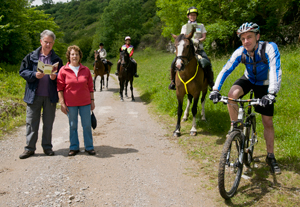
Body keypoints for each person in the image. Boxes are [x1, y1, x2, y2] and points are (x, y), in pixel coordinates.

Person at [209, 22, 282, 174]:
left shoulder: (269, 48)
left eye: (249, 37)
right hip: (249, 79)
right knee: (232, 95)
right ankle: (235, 129)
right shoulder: (240, 52)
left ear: (258, 37)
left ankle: (270, 156)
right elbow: (226, 69)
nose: (246, 41)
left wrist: (271, 94)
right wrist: (215, 89)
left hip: (265, 84)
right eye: (243, 39)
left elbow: (275, 70)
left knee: (267, 121)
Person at [19, 30, 63, 159]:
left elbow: (62, 76)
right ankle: (29, 148)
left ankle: (47, 147)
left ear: (53, 43)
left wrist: (56, 77)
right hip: (34, 95)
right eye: (46, 42)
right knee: (31, 123)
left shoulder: (57, 59)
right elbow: (22, 71)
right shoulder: (31, 57)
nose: (48, 45)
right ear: (41, 41)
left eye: (50, 42)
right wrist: (33, 75)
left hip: (50, 96)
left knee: (48, 123)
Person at [57, 45, 96, 156]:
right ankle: (74, 147)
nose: (74, 56)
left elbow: (90, 86)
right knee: (73, 125)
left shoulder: (86, 70)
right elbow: (60, 88)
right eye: (72, 54)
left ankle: (89, 147)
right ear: (68, 56)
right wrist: (62, 103)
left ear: (80, 56)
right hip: (70, 103)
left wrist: (92, 100)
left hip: (85, 102)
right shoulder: (63, 70)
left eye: (76, 54)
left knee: (87, 125)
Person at [168, 6, 214, 90]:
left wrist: (198, 40)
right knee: (173, 62)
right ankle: (173, 81)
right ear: (188, 16)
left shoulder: (201, 25)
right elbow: (182, 38)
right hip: (187, 49)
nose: (192, 17)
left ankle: (210, 81)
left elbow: (204, 37)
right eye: (191, 15)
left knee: (207, 61)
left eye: (194, 15)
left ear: (196, 16)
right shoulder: (184, 26)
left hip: (198, 49)